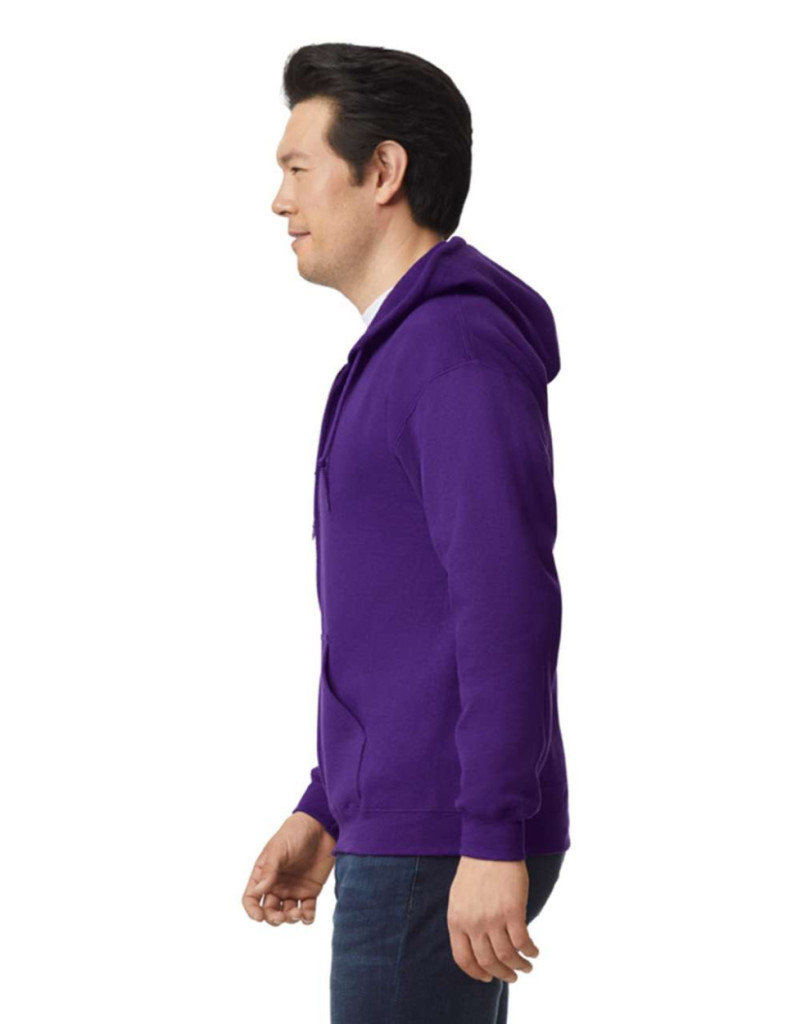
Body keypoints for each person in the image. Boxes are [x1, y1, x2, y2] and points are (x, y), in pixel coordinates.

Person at [241, 42, 570, 1024]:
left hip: (443, 833)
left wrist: (491, 833)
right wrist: (328, 803)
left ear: (382, 171)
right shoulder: (401, 353)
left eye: (298, 168)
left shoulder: (453, 351)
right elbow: (397, 619)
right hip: (415, 822)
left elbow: (505, 600)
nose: (279, 200)